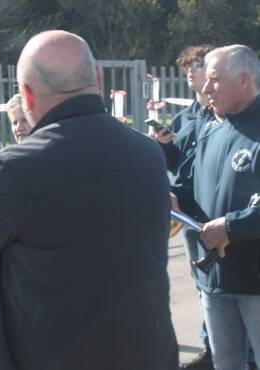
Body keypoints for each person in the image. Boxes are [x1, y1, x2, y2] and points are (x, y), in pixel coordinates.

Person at [0, 31, 178, 370]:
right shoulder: (148, 152)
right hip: (145, 348)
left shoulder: (16, 166)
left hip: (52, 353)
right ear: (96, 79)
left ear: (26, 95)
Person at [172, 44, 260, 370]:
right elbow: (191, 186)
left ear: (243, 80)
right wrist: (171, 197)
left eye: (214, 80)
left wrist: (231, 227)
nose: (206, 88)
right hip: (215, 281)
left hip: (255, 283)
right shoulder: (211, 128)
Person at [147, 44, 217, 370]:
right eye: (187, 67)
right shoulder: (184, 116)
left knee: (230, 285)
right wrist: (163, 146)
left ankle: (240, 351)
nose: (190, 71)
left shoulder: (225, 113)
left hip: (219, 213)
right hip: (188, 215)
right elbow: (177, 163)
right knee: (202, 282)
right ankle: (212, 345)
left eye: (198, 65)